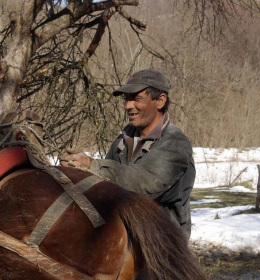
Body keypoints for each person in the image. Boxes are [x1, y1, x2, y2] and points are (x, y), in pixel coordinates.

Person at [59, 69, 195, 241]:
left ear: (160, 101)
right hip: (124, 238)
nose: (128, 106)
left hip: (162, 244)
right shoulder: (124, 141)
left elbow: (143, 182)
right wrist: (77, 170)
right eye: (126, 99)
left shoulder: (175, 144)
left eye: (137, 99)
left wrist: (91, 166)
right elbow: (105, 187)